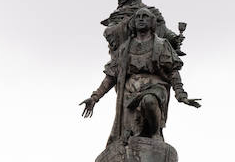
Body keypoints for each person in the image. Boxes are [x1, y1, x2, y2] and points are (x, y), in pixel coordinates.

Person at [82, 7, 200, 144]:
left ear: (152, 22)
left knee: (149, 101)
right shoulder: (125, 48)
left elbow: (173, 71)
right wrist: (95, 97)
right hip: (130, 91)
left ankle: (155, 134)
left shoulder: (161, 45)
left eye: (145, 16)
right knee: (128, 138)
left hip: (155, 86)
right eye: (138, 17)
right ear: (133, 22)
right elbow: (112, 75)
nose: (141, 19)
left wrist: (181, 95)